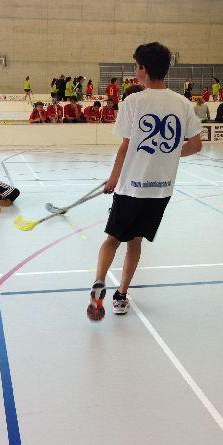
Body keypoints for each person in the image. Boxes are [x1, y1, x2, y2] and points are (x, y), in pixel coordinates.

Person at [87, 42, 202, 321]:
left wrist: (113, 179)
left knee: (113, 239)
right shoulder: (183, 103)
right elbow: (196, 144)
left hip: (131, 187)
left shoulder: (132, 102)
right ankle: (121, 295)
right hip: (160, 191)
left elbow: (126, 147)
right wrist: (172, 152)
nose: (135, 71)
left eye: (136, 66)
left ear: (143, 69)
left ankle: (99, 280)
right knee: (135, 242)